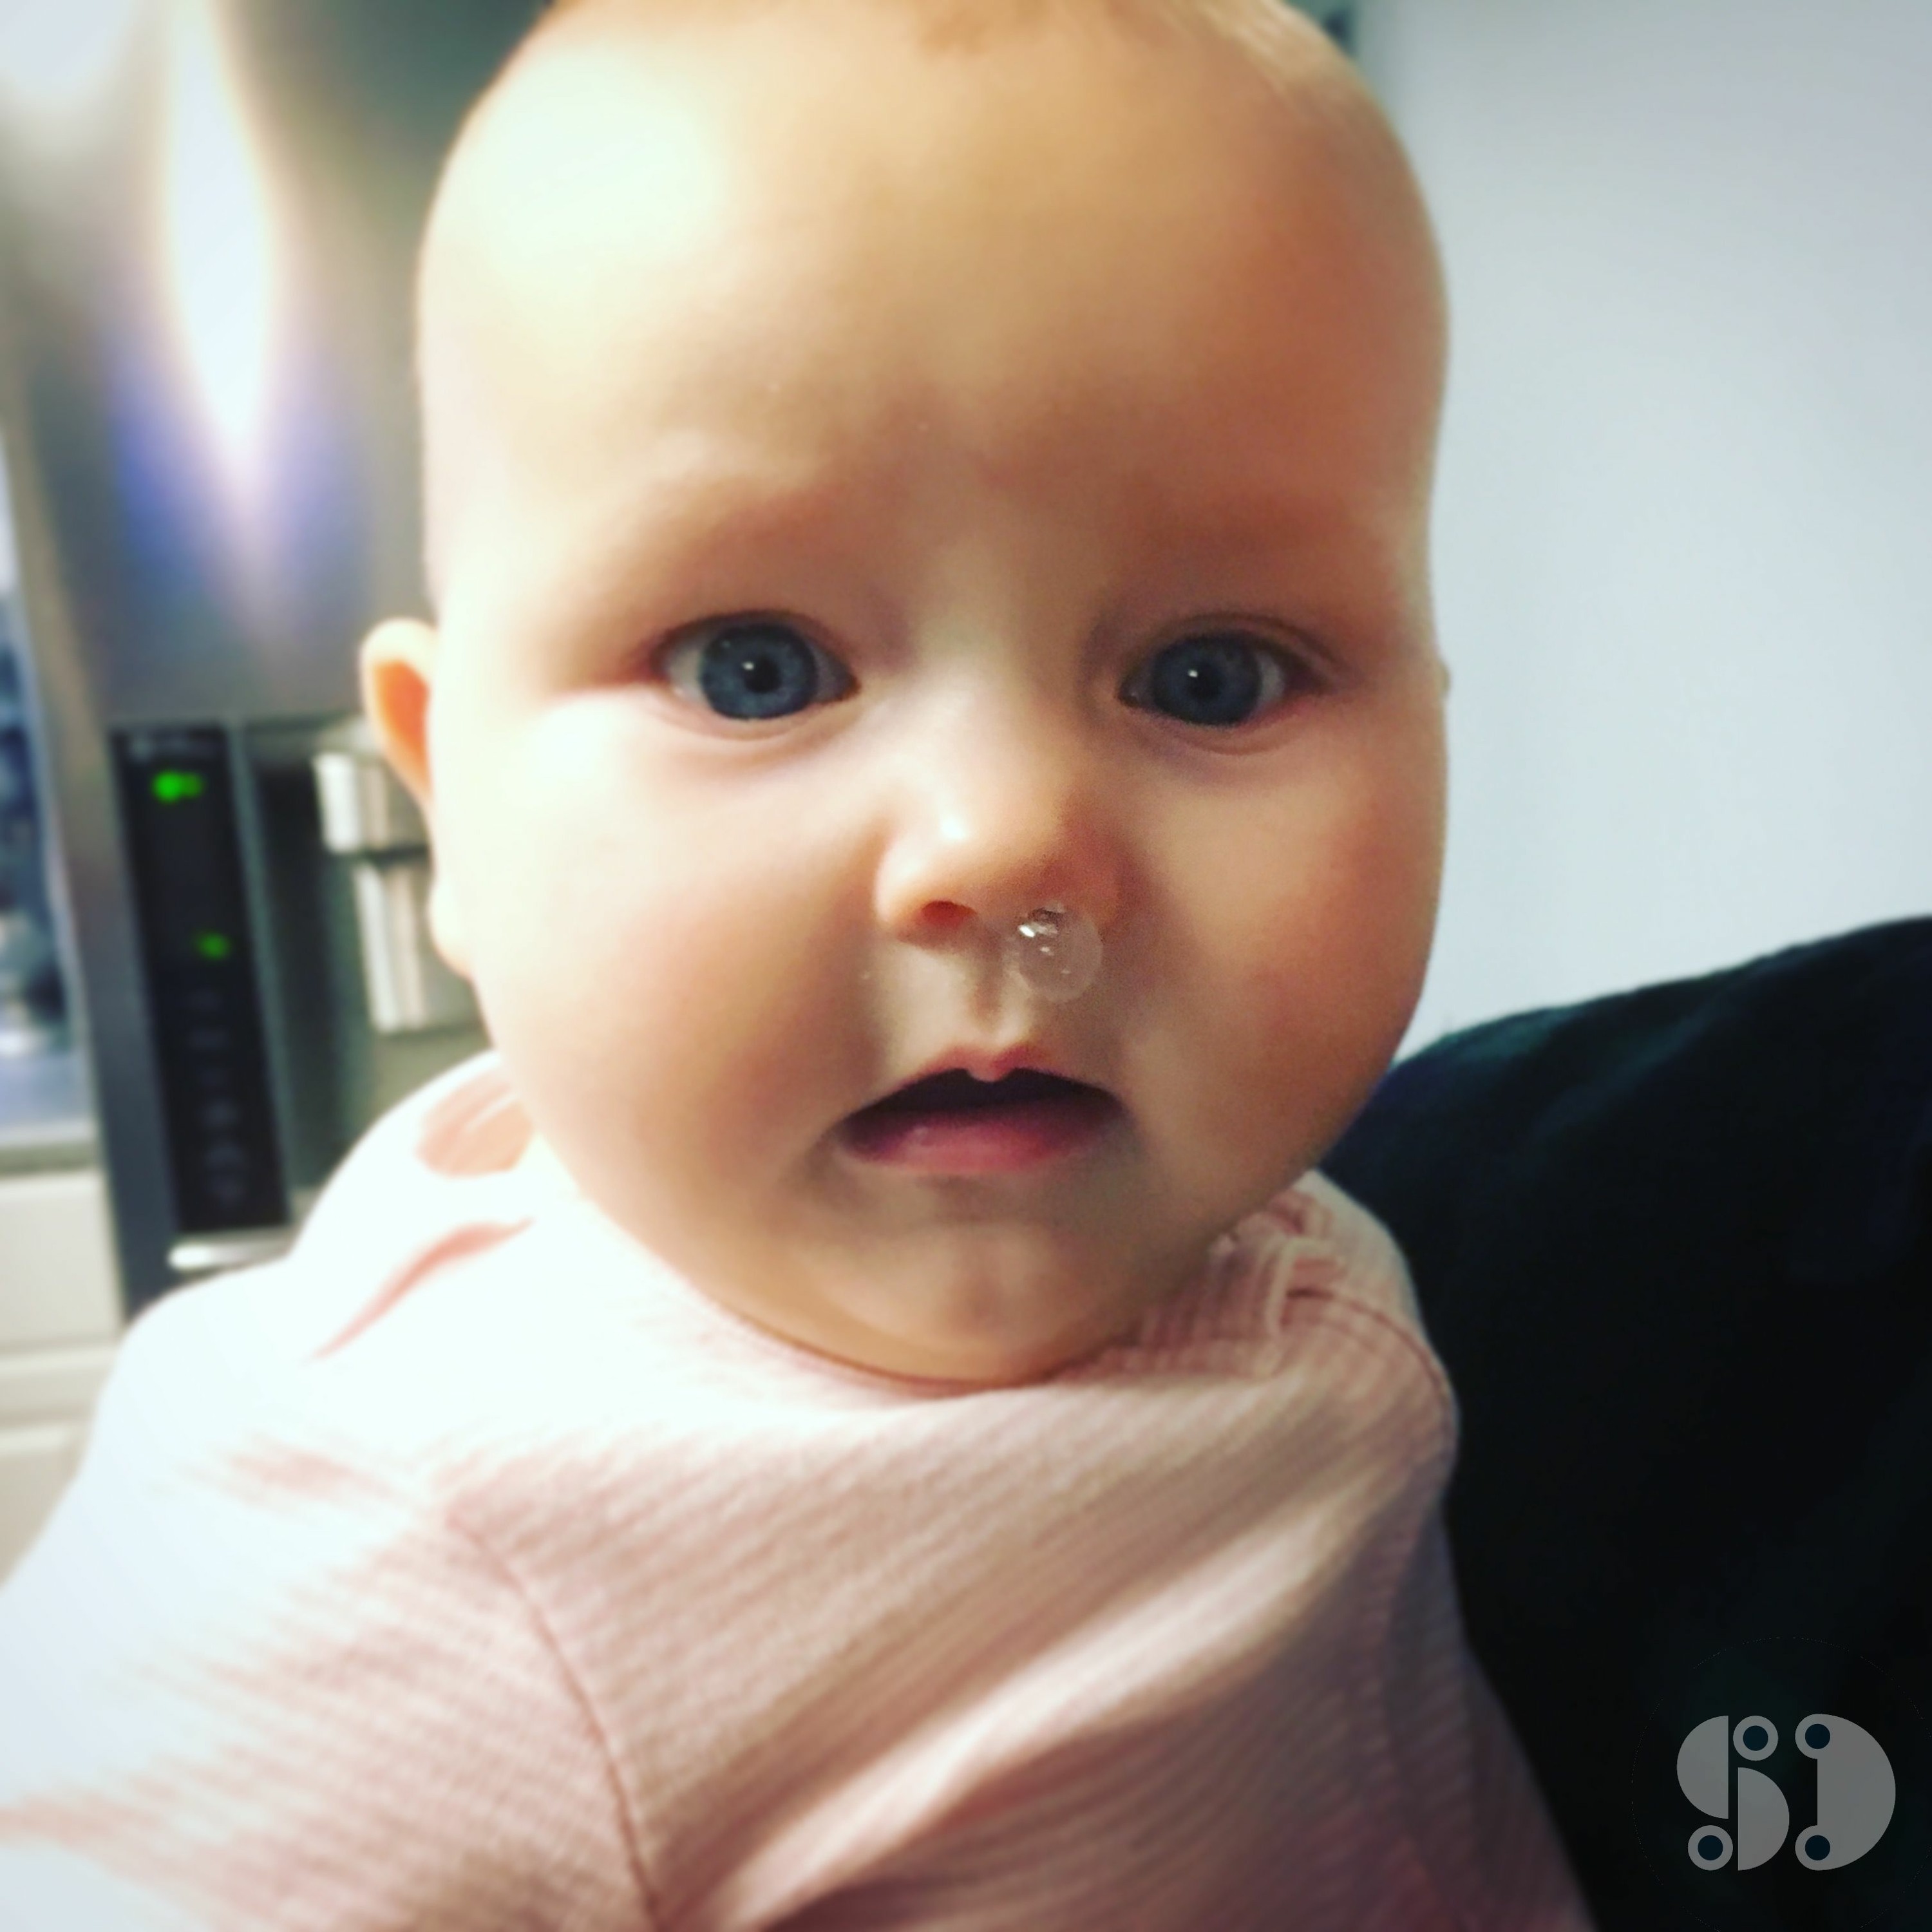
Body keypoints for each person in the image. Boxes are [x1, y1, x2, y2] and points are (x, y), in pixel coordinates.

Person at [0, 1, 1594, 1924]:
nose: (1003, 852)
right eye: (755, 671)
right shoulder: (373, 1555)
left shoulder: (1299, 1243)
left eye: (1212, 676)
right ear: (446, 804)